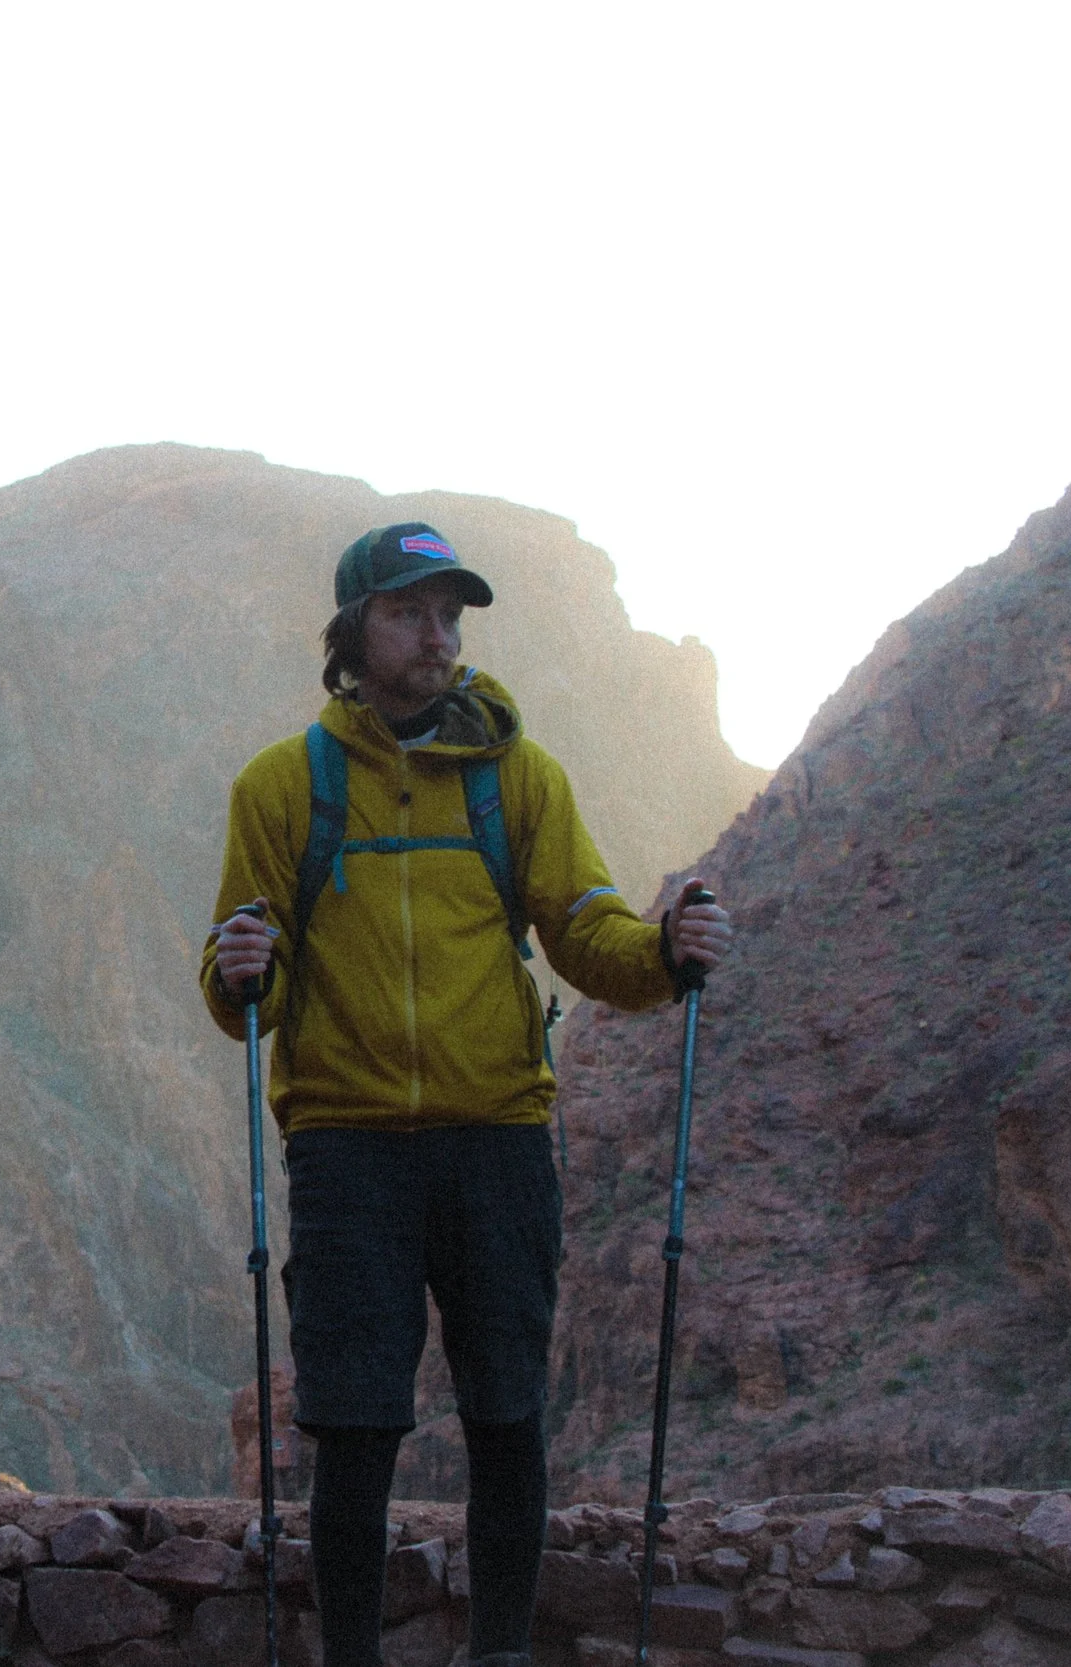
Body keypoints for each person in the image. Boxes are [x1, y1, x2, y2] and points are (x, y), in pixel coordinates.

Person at [200, 523, 732, 1667]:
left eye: (450, 614)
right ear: (353, 635)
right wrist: (237, 969)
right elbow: (244, 970)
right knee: (353, 1425)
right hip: (346, 1145)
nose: (437, 635)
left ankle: (497, 1655)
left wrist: (665, 952)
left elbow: (583, 929)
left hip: (494, 1137)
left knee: (504, 1414)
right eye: (409, 612)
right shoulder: (283, 787)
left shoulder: (516, 777)